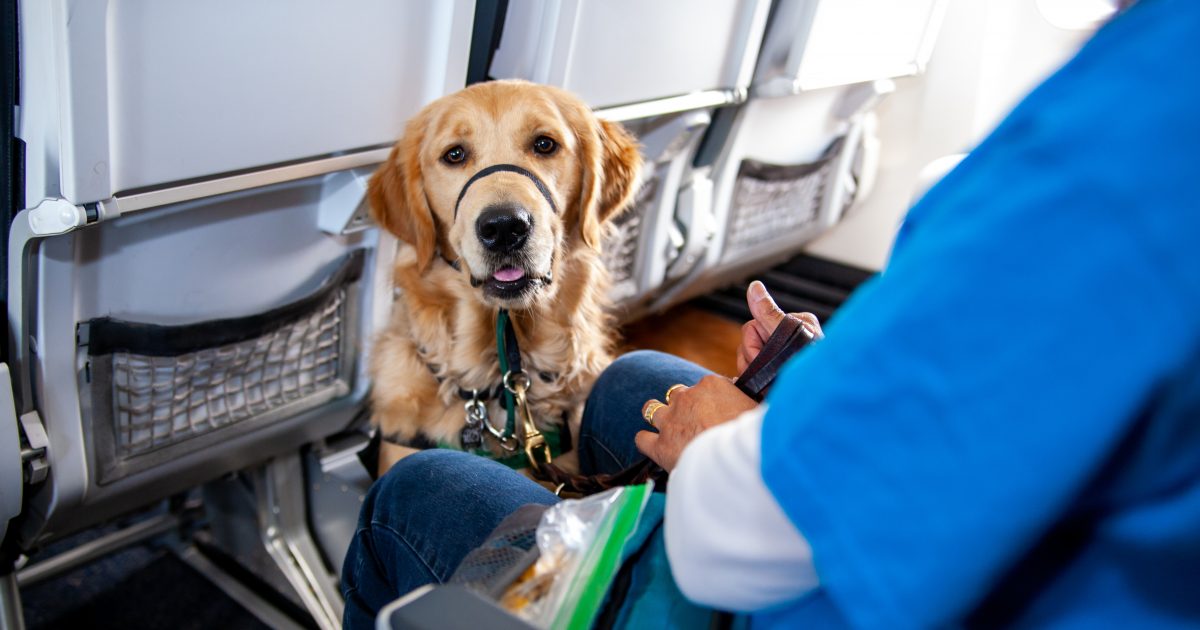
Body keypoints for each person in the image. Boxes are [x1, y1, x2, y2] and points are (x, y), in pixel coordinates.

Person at [342, 0, 1200, 627]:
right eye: (459, 158)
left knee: (409, 492)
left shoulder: (1134, 137)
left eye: (541, 148)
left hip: (762, 589)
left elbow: (757, 530)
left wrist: (723, 442)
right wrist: (796, 389)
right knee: (632, 382)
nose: (504, 197)